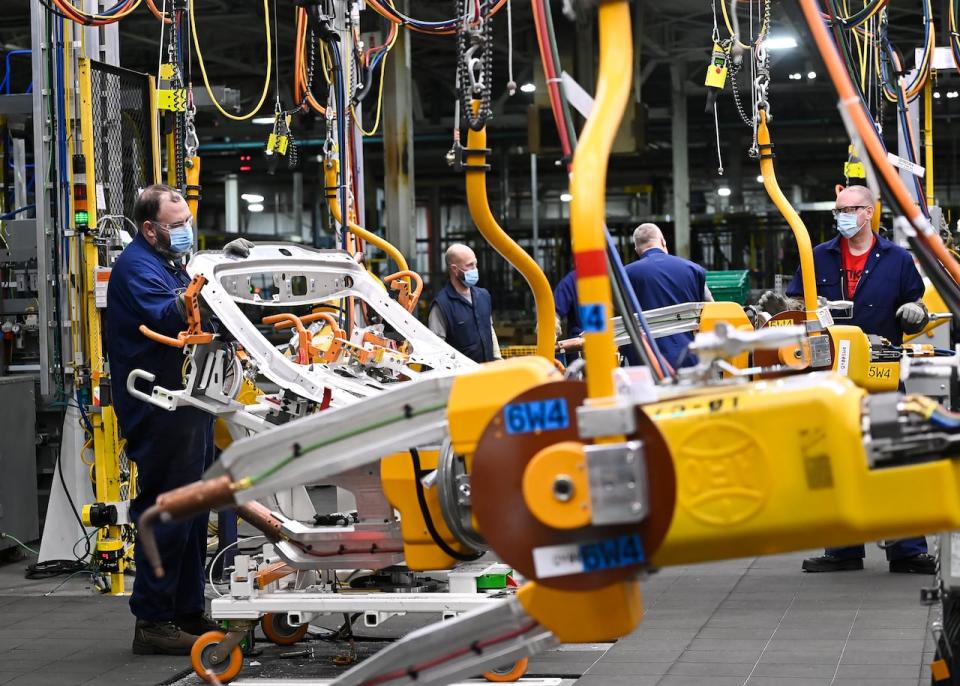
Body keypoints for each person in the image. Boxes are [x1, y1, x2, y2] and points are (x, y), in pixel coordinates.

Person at [106, 184, 255, 654]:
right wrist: (213, 284)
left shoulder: (167, 261)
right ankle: (152, 621)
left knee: (193, 512)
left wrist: (218, 266)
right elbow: (172, 313)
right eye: (177, 225)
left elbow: (189, 284)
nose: (187, 230)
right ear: (150, 229)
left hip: (190, 403)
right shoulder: (135, 268)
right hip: (160, 408)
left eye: (189, 221)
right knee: (170, 510)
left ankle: (186, 610)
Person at [758, 184, 933, 574]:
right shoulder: (816, 255)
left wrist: (914, 313)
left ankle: (907, 550)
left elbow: (917, 303)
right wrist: (795, 308)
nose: (842, 216)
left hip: (880, 371)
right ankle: (842, 549)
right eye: (838, 210)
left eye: (849, 209)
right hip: (830, 372)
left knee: (895, 457)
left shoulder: (897, 259)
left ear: (868, 212)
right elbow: (794, 306)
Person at [624, 223, 712, 369]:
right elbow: (712, 308)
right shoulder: (693, 269)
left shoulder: (625, 275)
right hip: (690, 358)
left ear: (636, 250)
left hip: (646, 365)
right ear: (663, 241)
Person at [427, 243, 501, 363]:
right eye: (470, 266)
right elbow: (436, 349)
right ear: (455, 269)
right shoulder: (442, 305)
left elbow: (490, 329)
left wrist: (498, 358)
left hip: (487, 374)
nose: (475, 270)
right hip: (461, 378)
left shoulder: (483, 296)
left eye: (475, 264)